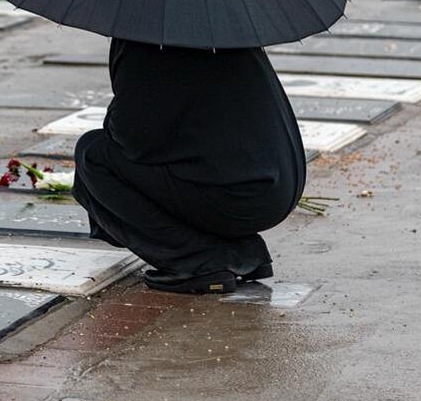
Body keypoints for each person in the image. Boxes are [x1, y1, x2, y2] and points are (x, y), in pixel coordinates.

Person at [73, 39, 306, 294]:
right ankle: (244, 252)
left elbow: (133, 139)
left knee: (93, 154)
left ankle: (199, 262)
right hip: (280, 187)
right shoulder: (222, 32)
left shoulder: (149, 40)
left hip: (238, 199)